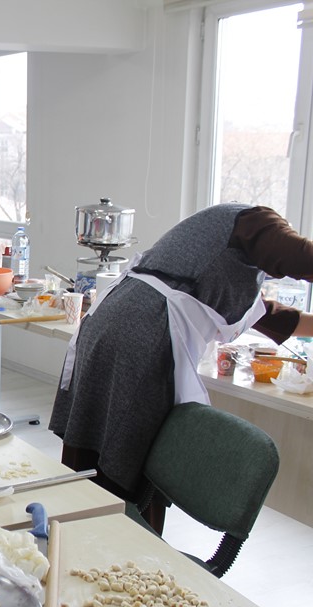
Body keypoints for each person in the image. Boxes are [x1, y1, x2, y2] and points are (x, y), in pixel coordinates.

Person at [49, 203, 313, 534]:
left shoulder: (219, 246)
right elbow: (302, 258)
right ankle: (121, 542)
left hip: (115, 323)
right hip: (142, 334)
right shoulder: (259, 221)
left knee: (96, 441)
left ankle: (80, 531)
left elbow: (266, 315)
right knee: (131, 450)